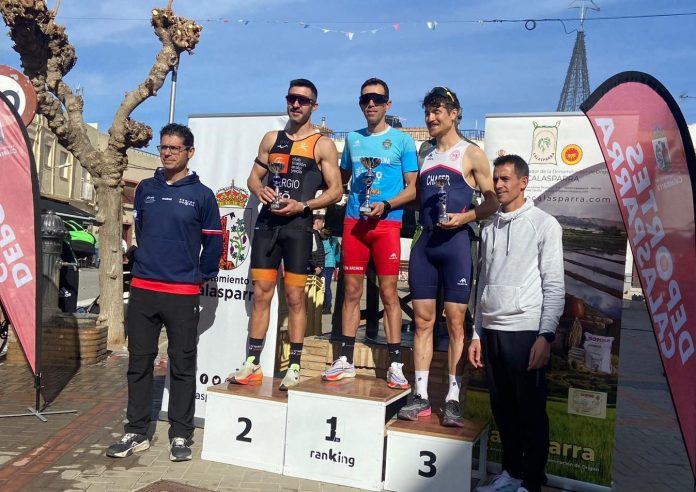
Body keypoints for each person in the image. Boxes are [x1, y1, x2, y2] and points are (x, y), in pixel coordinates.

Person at [106, 123, 223, 462]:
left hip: (182, 293)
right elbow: (142, 230)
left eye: (175, 148)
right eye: (163, 147)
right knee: (139, 364)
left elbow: (213, 243)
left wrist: (199, 276)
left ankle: (181, 434)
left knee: (182, 365)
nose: (168, 153)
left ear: (190, 152)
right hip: (144, 289)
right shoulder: (145, 189)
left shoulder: (203, 195)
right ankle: (136, 432)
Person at [226, 79, 342, 391]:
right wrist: (259, 189)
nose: (296, 104)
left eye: (303, 100)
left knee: (294, 298)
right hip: (267, 226)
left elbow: (335, 191)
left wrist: (304, 205)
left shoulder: (322, 145)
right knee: (262, 294)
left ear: (314, 106)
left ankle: (294, 366)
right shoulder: (271, 138)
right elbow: (253, 177)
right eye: (292, 98)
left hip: (298, 228)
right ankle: (252, 363)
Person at [398, 87, 498, 426]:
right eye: (427, 112)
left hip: (455, 244)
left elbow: (492, 201)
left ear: (454, 113)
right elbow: (416, 195)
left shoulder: (471, 153)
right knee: (422, 322)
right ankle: (421, 395)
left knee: (456, 323)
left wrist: (466, 217)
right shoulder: (426, 153)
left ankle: (452, 398)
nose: (431, 118)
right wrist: (386, 203)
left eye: (437, 111)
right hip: (426, 243)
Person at [469, 155, 564, 492]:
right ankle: (511, 473)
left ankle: (532, 482)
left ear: (523, 182)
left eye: (505, 179)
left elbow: (554, 284)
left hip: (525, 331)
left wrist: (546, 335)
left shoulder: (544, 224)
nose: (498, 185)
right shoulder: (489, 227)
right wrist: (476, 333)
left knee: (531, 412)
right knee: (503, 409)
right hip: (492, 330)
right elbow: (482, 283)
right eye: (496, 178)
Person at [321, 77, 417, 388]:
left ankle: (395, 363)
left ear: (388, 104)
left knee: (389, 293)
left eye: (377, 98)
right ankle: (346, 359)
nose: (371, 103)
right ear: (361, 104)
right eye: (365, 99)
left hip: (386, 224)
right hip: (355, 223)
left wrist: (386, 204)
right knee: (351, 292)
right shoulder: (352, 139)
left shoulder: (403, 141)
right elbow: (340, 178)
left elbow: (413, 188)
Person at [320, 227, 340, 314]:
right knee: (325, 286)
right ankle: (326, 305)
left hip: (327, 265)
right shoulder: (332, 240)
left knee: (325, 286)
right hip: (330, 265)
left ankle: (327, 306)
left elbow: (323, 253)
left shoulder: (326, 242)